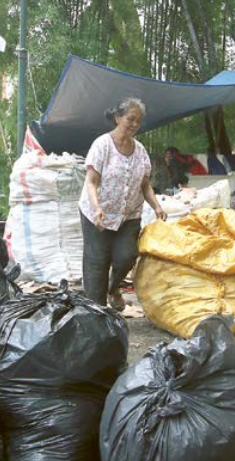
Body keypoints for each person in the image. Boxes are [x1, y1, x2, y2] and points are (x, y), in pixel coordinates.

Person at [79, 98, 167, 311]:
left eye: (138, 121)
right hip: (97, 213)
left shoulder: (141, 151)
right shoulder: (102, 145)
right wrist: (97, 208)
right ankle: (96, 313)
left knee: (127, 256)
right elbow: (91, 182)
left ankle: (113, 289)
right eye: (131, 119)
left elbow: (145, 185)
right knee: (97, 262)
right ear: (118, 118)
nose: (135, 124)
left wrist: (156, 206)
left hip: (129, 215)